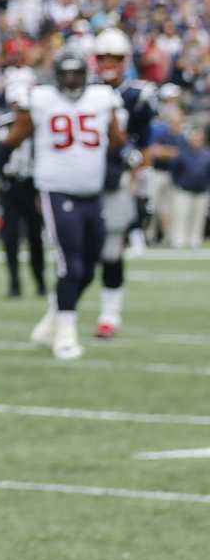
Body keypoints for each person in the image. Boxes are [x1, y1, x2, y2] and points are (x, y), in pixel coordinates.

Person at [0, 51, 126, 362]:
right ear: (57, 77)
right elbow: (16, 134)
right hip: (57, 191)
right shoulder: (43, 99)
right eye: (67, 75)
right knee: (70, 264)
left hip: (92, 192)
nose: (73, 81)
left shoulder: (102, 97)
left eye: (78, 75)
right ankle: (65, 334)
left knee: (90, 266)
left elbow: (117, 138)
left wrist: (117, 160)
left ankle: (53, 319)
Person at [90, 27, 158, 338]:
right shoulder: (82, 92)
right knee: (74, 253)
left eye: (115, 58)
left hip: (115, 180)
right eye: (103, 57)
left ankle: (109, 314)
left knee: (111, 252)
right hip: (81, 179)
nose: (109, 63)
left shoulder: (137, 96)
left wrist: (138, 178)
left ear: (125, 60)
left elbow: (143, 147)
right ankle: (60, 312)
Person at [0, 96, 44, 298]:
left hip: (32, 185)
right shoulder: (2, 124)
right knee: (10, 237)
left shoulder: (38, 123)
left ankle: (40, 282)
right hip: (9, 185)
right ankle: (14, 284)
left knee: (35, 237)